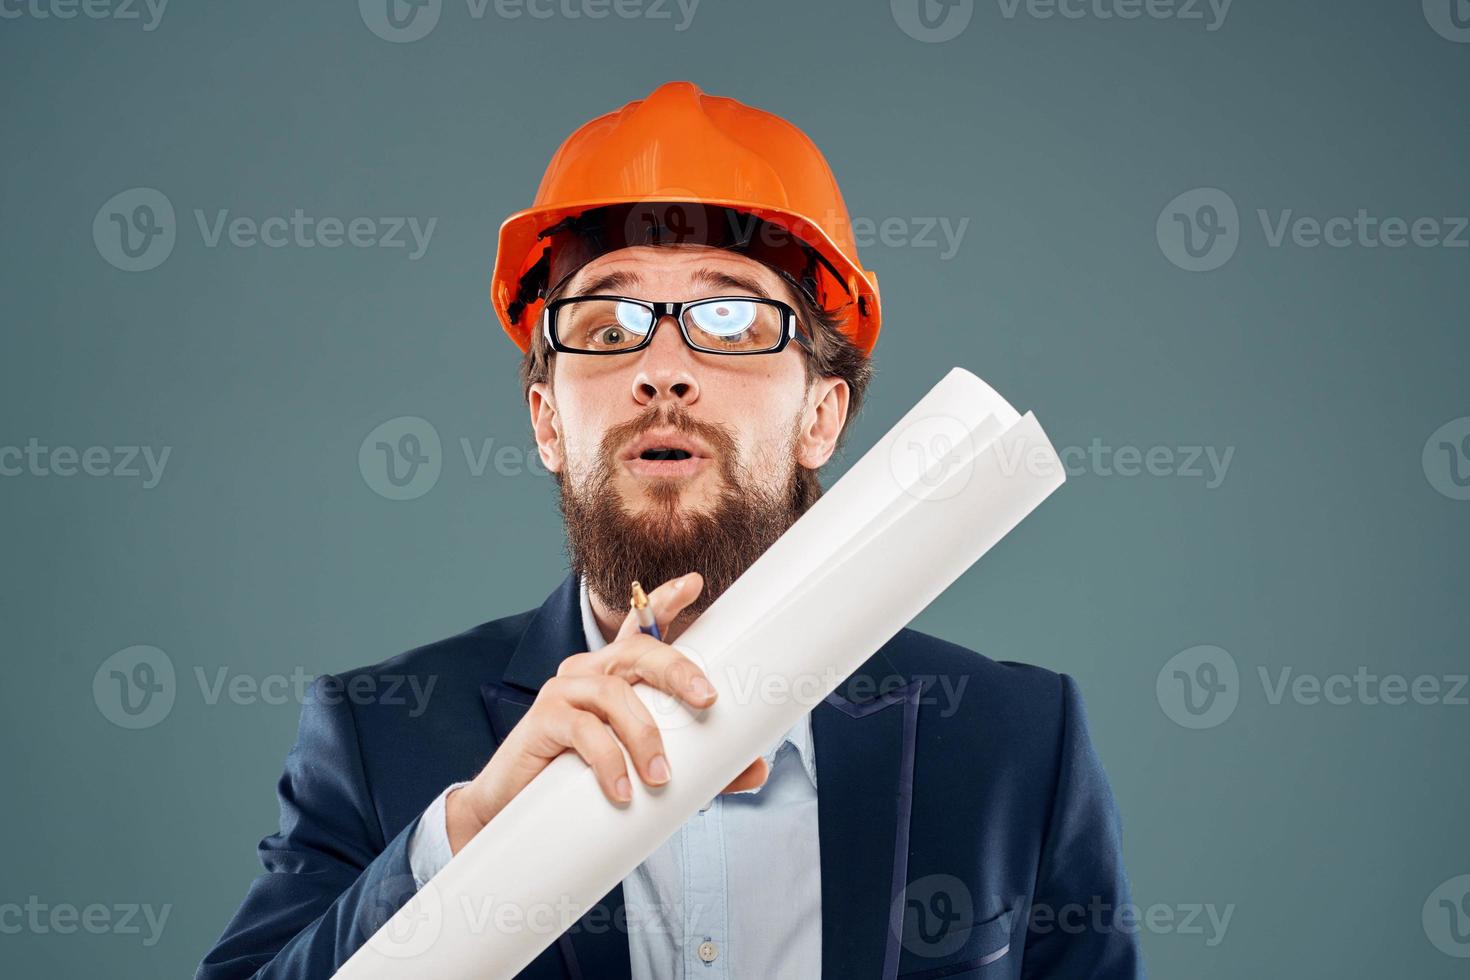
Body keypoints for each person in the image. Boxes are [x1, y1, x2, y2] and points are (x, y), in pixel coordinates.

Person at [196, 80, 1144, 979]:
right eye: (608, 325)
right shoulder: (378, 737)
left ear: (823, 414)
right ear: (547, 422)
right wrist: (468, 844)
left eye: (730, 320)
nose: (663, 369)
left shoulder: (1012, 743)